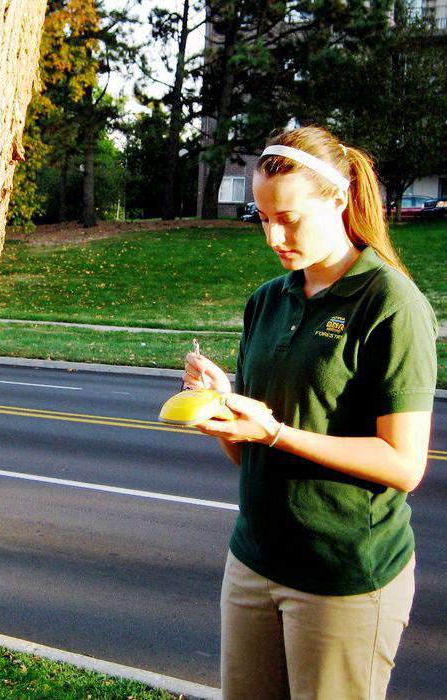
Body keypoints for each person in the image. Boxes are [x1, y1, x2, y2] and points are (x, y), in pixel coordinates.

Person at [182, 125, 437, 700]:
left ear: (340, 201)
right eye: (262, 217)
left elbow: (404, 465)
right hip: (253, 561)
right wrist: (223, 409)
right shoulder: (268, 301)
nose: (273, 235)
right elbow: (248, 454)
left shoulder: (392, 304)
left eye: (289, 218)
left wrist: (275, 433)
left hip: (342, 576)